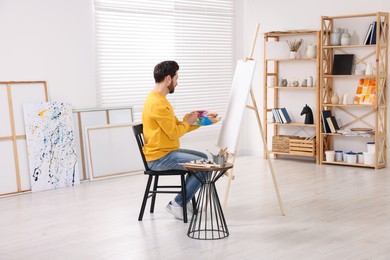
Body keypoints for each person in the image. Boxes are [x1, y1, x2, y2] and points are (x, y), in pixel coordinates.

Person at [142, 60, 216, 220]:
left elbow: (176, 125)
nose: (178, 82)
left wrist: (199, 120)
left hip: (165, 152)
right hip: (159, 158)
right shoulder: (157, 104)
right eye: (176, 78)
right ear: (168, 79)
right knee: (206, 165)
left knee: (203, 159)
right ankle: (177, 203)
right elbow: (174, 133)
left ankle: (184, 199)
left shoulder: (159, 99)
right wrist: (188, 122)